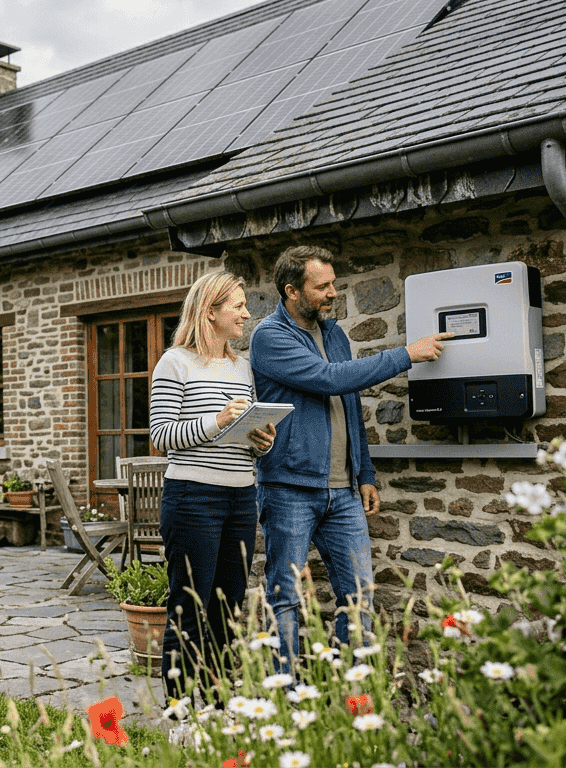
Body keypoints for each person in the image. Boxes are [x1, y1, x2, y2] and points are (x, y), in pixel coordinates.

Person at [250, 245, 449, 670]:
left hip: (342, 494)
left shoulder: (335, 334)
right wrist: (405, 355)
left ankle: (354, 692)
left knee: (360, 594)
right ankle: (284, 693)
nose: (332, 292)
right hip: (289, 488)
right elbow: (328, 379)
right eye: (321, 286)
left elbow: (351, 404)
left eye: (333, 284)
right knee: (285, 593)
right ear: (292, 291)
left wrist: (366, 472)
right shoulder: (270, 337)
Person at [150, 269, 276, 701]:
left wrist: (261, 440)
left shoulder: (243, 367)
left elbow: (243, 442)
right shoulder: (175, 362)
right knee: (189, 608)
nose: (246, 313)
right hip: (193, 499)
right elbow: (162, 436)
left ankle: (220, 705)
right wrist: (219, 419)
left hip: (241, 497)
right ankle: (179, 711)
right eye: (238, 306)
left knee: (227, 610)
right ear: (211, 311)